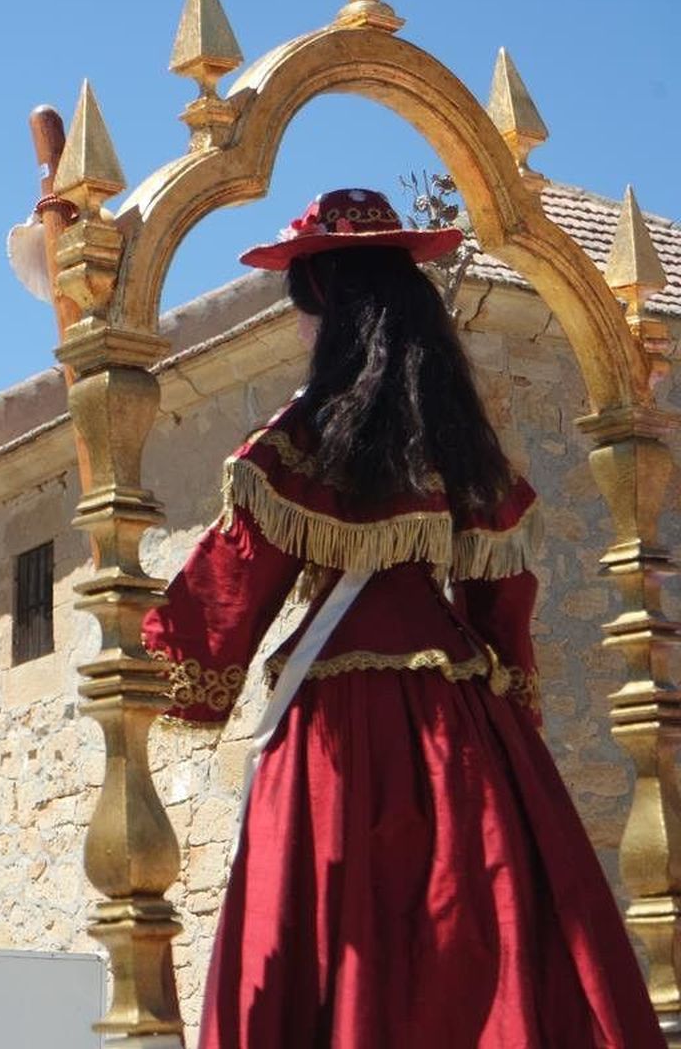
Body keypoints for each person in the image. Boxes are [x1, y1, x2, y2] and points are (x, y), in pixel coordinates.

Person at [142, 188, 663, 1047]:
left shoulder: (295, 442)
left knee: (340, 938)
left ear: (328, 309)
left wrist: (136, 641)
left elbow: (225, 597)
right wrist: (511, 724)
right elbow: (505, 610)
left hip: (337, 738)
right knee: (492, 934)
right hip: (462, 728)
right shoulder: (463, 444)